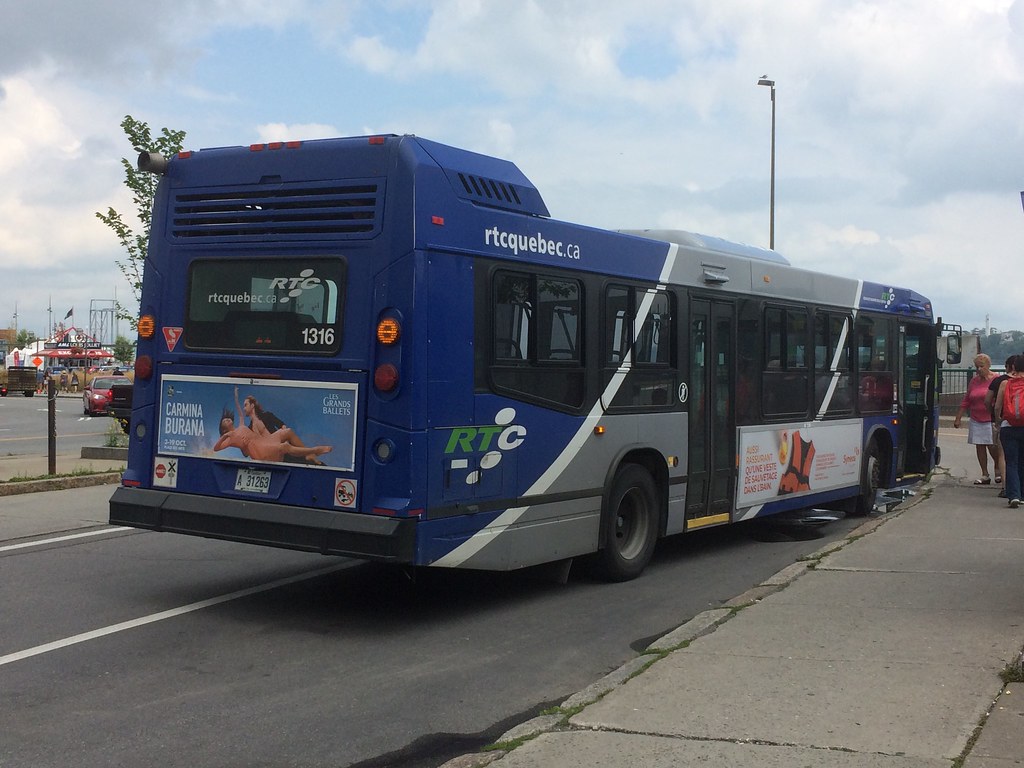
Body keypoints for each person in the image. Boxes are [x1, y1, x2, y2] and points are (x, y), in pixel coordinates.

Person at [953, 353, 1002, 485]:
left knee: (993, 446)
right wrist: (958, 417)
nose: (979, 369)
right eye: (977, 367)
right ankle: (984, 473)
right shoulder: (974, 381)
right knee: (980, 446)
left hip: (990, 418)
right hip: (976, 417)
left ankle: (998, 469)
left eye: (981, 366)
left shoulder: (996, 379)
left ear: (988, 366)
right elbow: (967, 399)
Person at [994, 354, 1024, 509]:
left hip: (1009, 427)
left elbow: (998, 406)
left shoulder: (1005, 384)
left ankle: (1013, 495)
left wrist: (998, 422)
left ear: (1013, 367)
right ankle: (1022, 493)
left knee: (1011, 462)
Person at [986, 356, 1015, 497]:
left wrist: (997, 419)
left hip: (1007, 422)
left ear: (1009, 366)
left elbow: (990, 402)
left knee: (1004, 456)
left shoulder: (1001, 381)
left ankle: (1006, 487)